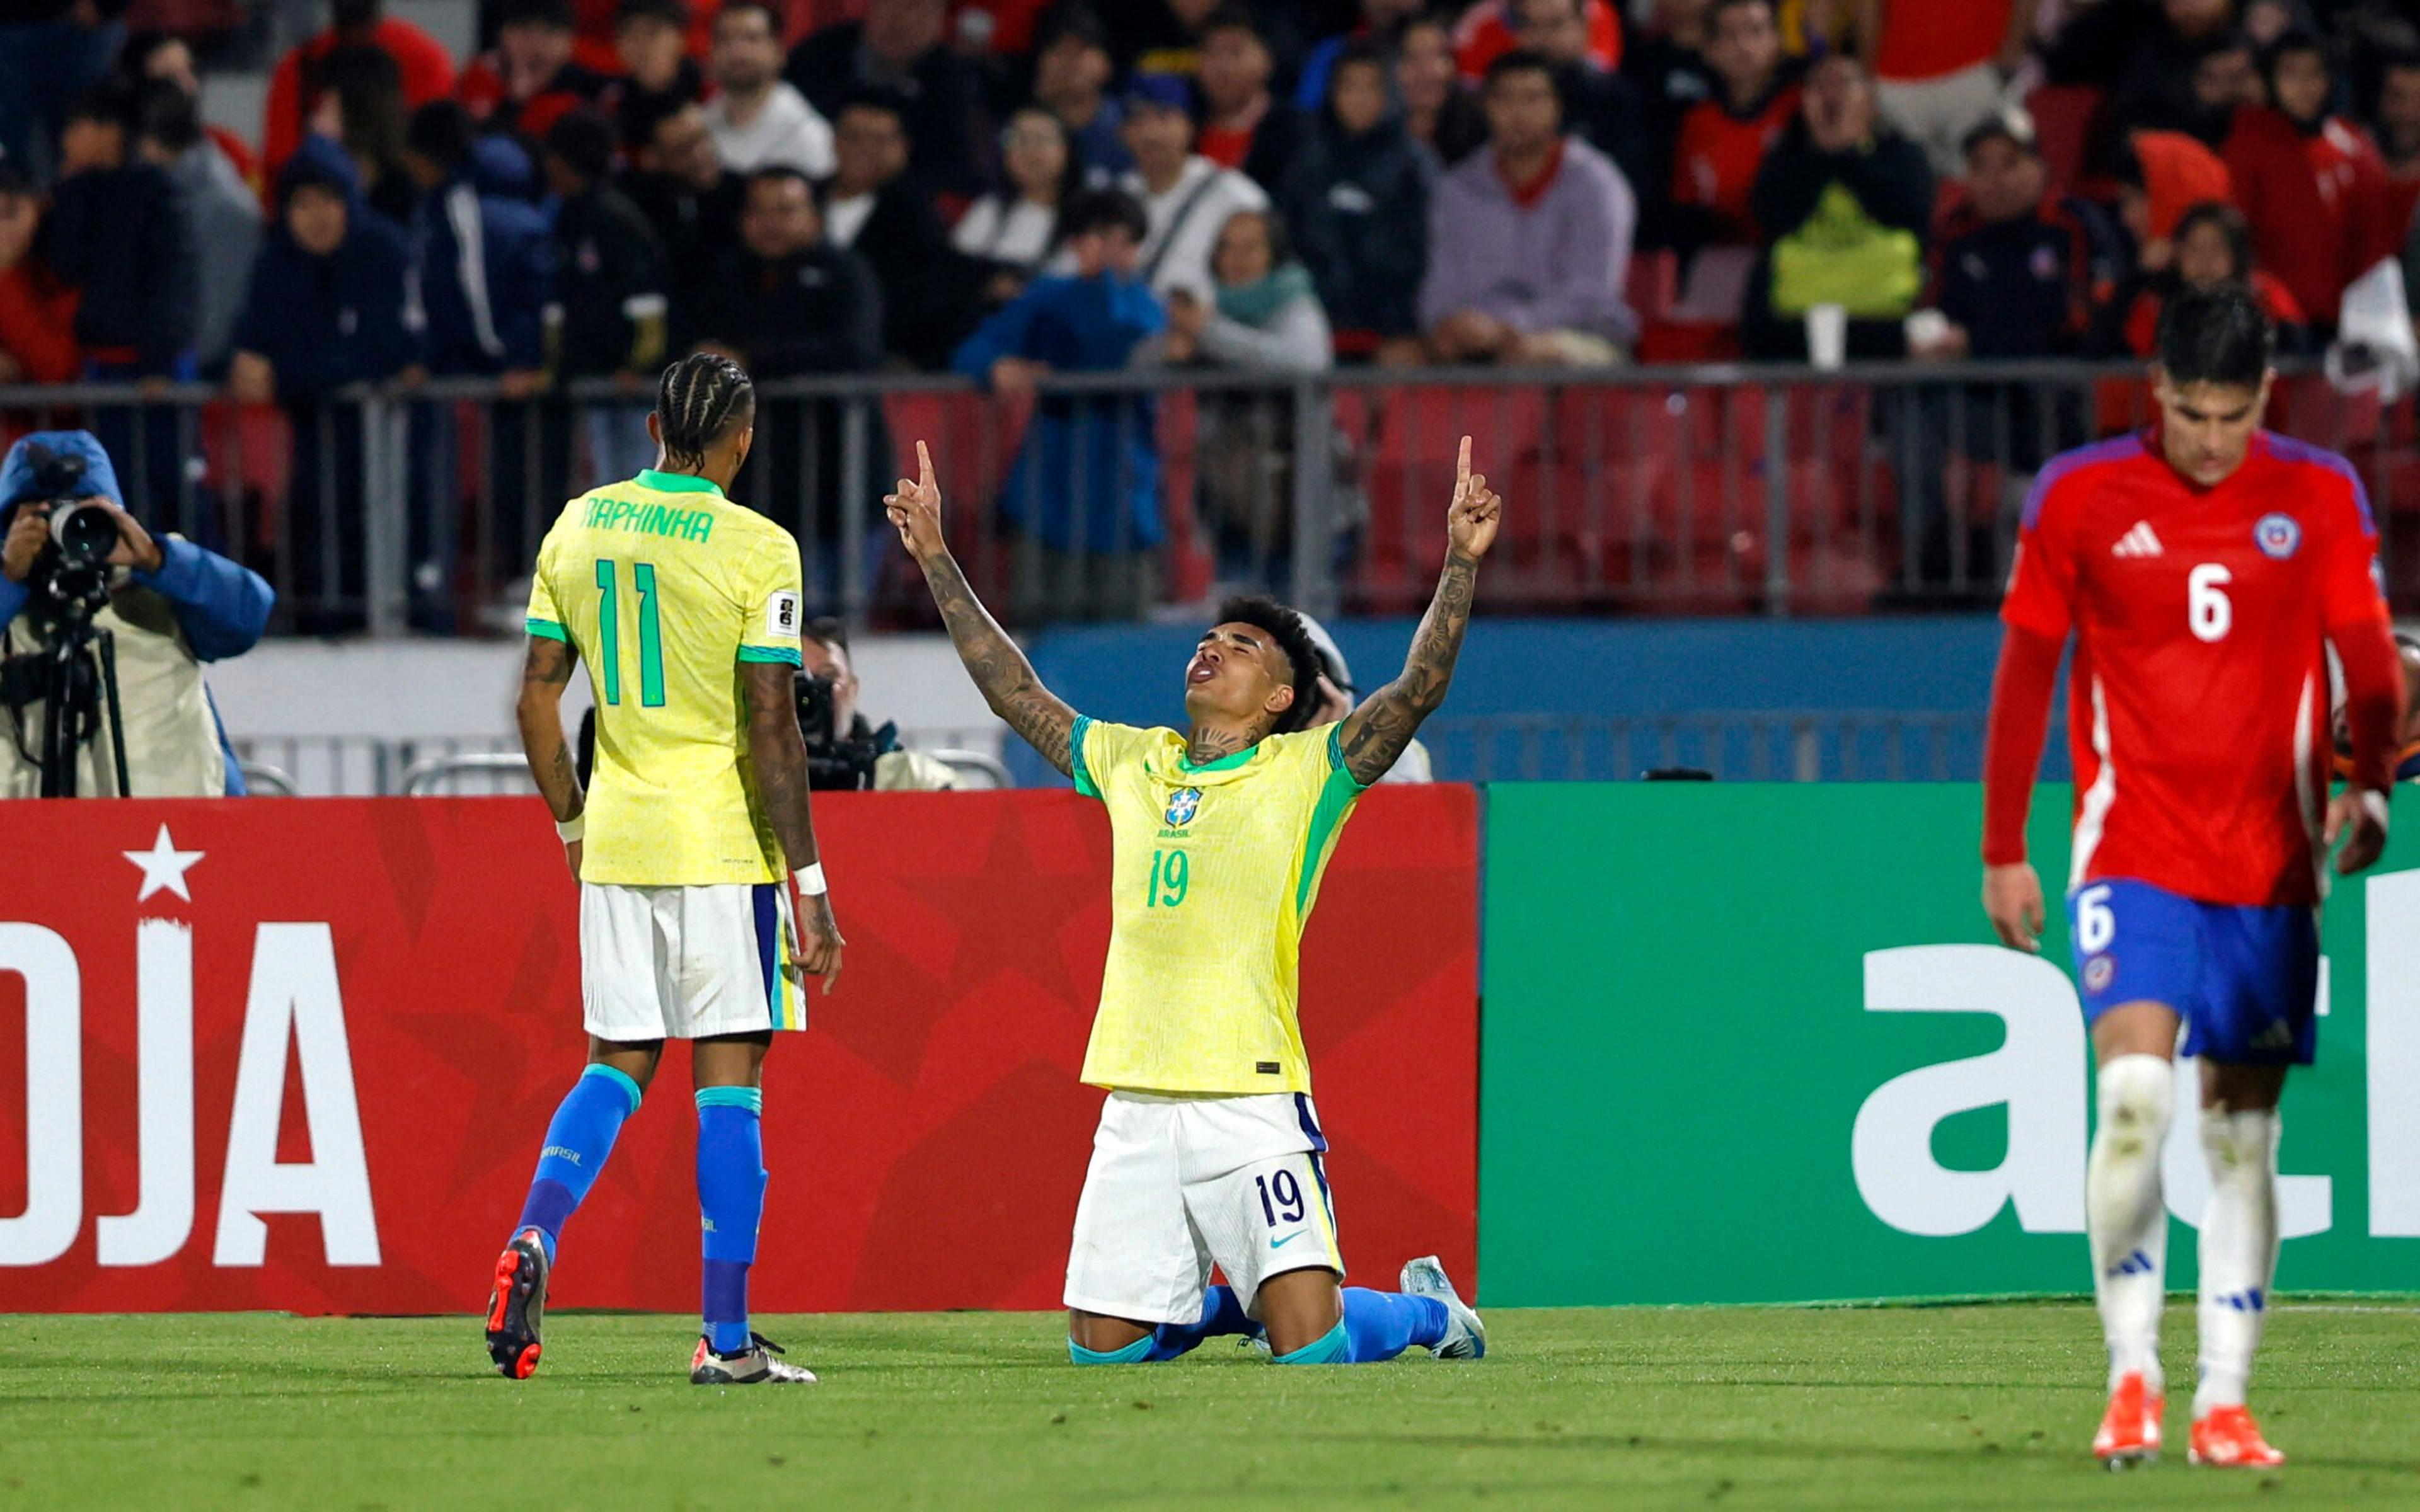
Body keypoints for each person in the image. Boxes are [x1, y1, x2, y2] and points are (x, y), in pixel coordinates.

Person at [886, 430, 1497, 1370]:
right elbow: (1014, 690)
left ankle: (1429, 1314)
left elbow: (1417, 691)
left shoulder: (1308, 772)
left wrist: (1458, 562)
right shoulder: (1137, 761)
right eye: (1209, 638)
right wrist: (936, 557)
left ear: (1280, 698)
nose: (1213, 648)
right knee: (1103, 1356)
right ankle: (1230, 1301)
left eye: (1242, 645)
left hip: (1248, 1093)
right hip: (1136, 1092)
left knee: (1314, 1349)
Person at [1979, 285, 2406, 1470]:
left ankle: (2225, 1397)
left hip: (2270, 868)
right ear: (2154, 391)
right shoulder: (2080, 494)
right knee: (2133, 1105)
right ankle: (2132, 1377)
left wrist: (2368, 785)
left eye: (2231, 414)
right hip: (2134, 848)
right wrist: (2002, 845)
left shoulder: (2318, 493)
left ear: (2266, 395)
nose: (2210, 439)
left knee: (2242, 1146)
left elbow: (2373, 665)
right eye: (2189, 412)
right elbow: (2025, 672)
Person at [489, 352, 844, 1387]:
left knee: (616, 1062)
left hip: (621, 839)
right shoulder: (757, 546)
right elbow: (774, 724)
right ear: (740, 439)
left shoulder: (579, 522)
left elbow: (536, 702)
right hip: (722, 844)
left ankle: (535, 1235)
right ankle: (726, 1341)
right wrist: (810, 889)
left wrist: (572, 828)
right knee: (729, 1085)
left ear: (654, 429)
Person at [0, 430, 273, 798]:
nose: (64, 531)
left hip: (178, 829)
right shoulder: (7, 586)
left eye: (83, 512)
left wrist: (159, 561)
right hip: (35, 837)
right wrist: (9, 579)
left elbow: (248, 617)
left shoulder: (162, 572)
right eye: (41, 514)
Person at [226, 138, 417, 634]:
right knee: (314, 537)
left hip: (388, 448)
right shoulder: (278, 264)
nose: (317, 217)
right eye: (303, 204)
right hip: (312, 446)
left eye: (328, 201)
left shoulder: (382, 251)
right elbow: (249, 341)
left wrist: (284, 375)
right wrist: (241, 366)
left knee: (379, 538)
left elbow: (382, 351)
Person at [949, 188, 1166, 621]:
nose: (1112, 253)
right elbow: (973, 349)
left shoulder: (1147, 308)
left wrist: (1099, 280)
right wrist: (997, 366)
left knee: (1120, 635)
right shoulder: (1049, 297)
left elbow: (1111, 340)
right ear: (1076, 242)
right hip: (1047, 491)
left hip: (1122, 494)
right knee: (1039, 632)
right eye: (1101, 239)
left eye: (1124, 243)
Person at [689, 167, 886, 585]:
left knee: (830, 633)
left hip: (841, 486)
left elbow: (855, 351)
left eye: (786, 210)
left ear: (815, 217)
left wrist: (750, 360)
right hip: (757, 490)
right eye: (760, 212)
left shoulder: (847, 274)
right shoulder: (725, 277)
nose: (771, 223)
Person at [1142, 208, 1332, 585]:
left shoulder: (1293, 302)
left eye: (1251, 248)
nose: (1237, 260)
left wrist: (1209, 333)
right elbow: (1137, 363)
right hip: (1227, 494)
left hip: (1293, 497)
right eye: (1227, 249)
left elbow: (1304, 359)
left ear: (1274, 254)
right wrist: (1170, 348)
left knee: (1297, 626)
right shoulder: (1204, 308)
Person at [1417, 50, 1637, 367]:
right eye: (1505, 100)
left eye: (1533, 99)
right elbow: (1440, 287)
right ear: (1485, 107)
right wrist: (1451, 323)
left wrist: (1510, 325)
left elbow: (1590, 294)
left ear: (1558, 108)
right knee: (1401, 357)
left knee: (1530, 355)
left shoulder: (1598, 184)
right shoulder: (1457, 187)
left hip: (1583, 337)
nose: (1518, 113)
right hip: (1477, 337)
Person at [45, 84, 199, 518]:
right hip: (101, 371)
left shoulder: (157, 192)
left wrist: (159, 359)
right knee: (111, 499)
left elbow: (174, 277)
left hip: (157, 374)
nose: (67, 139)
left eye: (77, 127)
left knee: (178, 499)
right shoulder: (75, 194)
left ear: (109, 131)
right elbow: (66, 266)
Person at [1742, 51, 1932, 360]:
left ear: (1870, 99)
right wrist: (1822, 154)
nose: (1832, 96)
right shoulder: (1785, 158)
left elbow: (1908, 211)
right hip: (1795, 323)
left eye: (1844, 84)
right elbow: (1773, 219)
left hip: (1886, 322)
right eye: (1818, 86)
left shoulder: (1900, 154)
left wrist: (1849, 155)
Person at [2223, 32, 2398, 334]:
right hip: (2272, 322)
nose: (2303, 86)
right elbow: (2237, 236)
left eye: (2314, 73)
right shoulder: (2248, 145)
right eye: (2291, 72)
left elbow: (2374, 244)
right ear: (2271, 79)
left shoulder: (2354, 147)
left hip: (2347, 325)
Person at [543, 108, 670, 490]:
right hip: (590, 388)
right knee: (600, 496)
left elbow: (649, 306)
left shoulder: (616, 219)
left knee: (636, 492)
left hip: (628, 393)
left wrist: (640, 366)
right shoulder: (568, 217)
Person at [1281, 42, 1431, 355]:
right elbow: (1290, 240)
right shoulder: (1306, 163)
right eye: (1348, 87)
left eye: (1370, 87)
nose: (1359, 99)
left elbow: (1425, 249)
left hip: (1395, 331)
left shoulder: (1414, 165)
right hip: (1317, 324)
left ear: (1389, 93)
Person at [819, 92, 972, 369]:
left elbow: (929, 293)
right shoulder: (803, 200)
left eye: (878, 140)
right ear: (834, 140)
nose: (863, 149)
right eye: (853, 137)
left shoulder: (918, 216)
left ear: (903, 147)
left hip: (881, 362)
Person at [785, 0, 995, 200]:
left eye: (915, 9)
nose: (900, 20)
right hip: (805, 188)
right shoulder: (821, 53)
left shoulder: (956, 84)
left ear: (938, 21)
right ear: (870, 9)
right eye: (890, 6)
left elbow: (961, 171)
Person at [133, 81, 259, 376]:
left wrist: (173, 368)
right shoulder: (158, 192)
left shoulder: (226, 208)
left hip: (200, 387)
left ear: (149, 141)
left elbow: (216, 321)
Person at [1835, 0, 2031, 178]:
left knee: (1989, 186)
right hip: (1896, 79)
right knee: (1909, 193)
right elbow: (1867, 8)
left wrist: (2013, 48)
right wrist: (1867, 78)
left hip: (1979, 67)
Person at [1117, 76, 1270, 305]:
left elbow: (1273, 279)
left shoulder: (1234, 194)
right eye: (1137, 121)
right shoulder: (1113, 198)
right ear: (1122, 134)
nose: (1151, 133)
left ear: (1190, 126)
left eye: (1164, 117)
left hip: (1211, 333)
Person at [263, 0, 458, 178]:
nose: (316, 123)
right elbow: (279, 168)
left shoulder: (424, 60)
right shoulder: (299, 67)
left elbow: (438, 162)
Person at [1668, 0, 1799, 259]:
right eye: (1729, 34)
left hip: (1790, 259)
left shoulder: (1801, 109)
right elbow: (1686, 207)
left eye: (1755, 31)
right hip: (1718, 259)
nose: (1743, 46)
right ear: (1709, 50)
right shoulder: (1698, 122)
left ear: (1778, 40)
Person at [2106, 200, 2307, 358]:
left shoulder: (2263, 295)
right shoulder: (2158, 304)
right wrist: (2138, 278)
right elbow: (2108, 348)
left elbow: (2297, 346)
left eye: (2216, 248)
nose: (2205, 260)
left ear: (2236, 255)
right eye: (2194, 249)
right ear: (2177, 253)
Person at [621, 98, 744, 340]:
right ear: (652, 159)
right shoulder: (641, 212)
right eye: (683, 150)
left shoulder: (745, 194)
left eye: (703, 139)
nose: (700, 155)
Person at [799, 618, 960, 791]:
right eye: (798, 681)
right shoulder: (765, 783)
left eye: (827, 676)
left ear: (853, 688)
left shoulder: (916, 780)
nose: (812, 691)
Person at [954, 106, 1074, 313]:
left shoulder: (1086, 218)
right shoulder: (988, 209)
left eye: (1042, 139)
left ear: (1066, 149)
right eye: (1019, 139)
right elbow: (956, 274)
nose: (1031, 150)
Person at [1294, 610, 1431, 784]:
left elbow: (1410, 808)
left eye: (1305, 685)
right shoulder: (1251, 759)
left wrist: (1339, 757)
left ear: (1335, 688)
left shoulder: (1395, 753)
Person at [705, 1, 835, 179]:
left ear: (779, 52)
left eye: (752, 39)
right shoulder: (700, 127)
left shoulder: (809, 136)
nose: (737, 51)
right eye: (725, 40)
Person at [459, 0, 615, 140]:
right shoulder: (483, 75)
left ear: (570, 41)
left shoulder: (591, 88)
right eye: (525, 31)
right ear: (503, 34)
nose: (536, 45)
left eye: (549, 33)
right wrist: (514, 103)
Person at [1196, 9, 1310, 198]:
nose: (1222, 66)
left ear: (1268, 59)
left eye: (1236, 53)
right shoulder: (1187, 126)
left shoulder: (1295, 132)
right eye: (1211, 52)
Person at [0, 166, 83, 386]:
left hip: (33, 419)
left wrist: (5, 277)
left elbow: (57, 371)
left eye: (10, 212)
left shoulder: (55, 282)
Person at [1031, 7, 1132, 181]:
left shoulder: (1130, 126)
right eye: (1058, 50)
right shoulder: (1027, 128)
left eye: (1082, 49)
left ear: (1106, 63)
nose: (1069, 61)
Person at [1398, 14, 1491, 169]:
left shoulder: (1480, 130)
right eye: (1413, 57)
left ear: (1453, 66)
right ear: (1398, 69)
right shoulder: (1383, 127)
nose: (1426, 72)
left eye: (1437, 57)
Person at [603, 0, 703, 140]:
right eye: (630, 34)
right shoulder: (609, 110)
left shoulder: (713, 96)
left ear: (681, 38)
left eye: (653, 32)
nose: (642, 44)